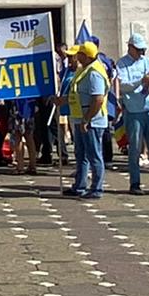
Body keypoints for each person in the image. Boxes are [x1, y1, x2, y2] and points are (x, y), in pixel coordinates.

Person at [116, 31, 149, 195]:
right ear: (130, 47)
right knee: (135, 148)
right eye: (138, 50)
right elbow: (123, 85)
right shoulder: (122, 63)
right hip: (133, 110)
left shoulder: (147, 62)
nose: (141, 53)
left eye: (143, 50)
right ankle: (135, 183)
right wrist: (141, 81)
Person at [65, 41, 109, 199]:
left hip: (92, 121)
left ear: (86, 56)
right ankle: (79, 185)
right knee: (81, 154)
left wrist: (86, 119)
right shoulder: (83, 70)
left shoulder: (94, 73)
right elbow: (77, 93)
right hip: (79, 117)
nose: (77, 56)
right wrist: (62, 100)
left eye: (80, 54)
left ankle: (97, 188)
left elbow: (97, 99)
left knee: (94, 154)